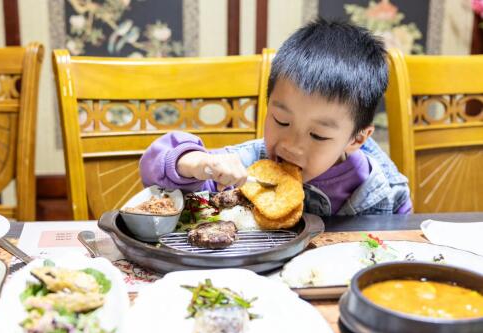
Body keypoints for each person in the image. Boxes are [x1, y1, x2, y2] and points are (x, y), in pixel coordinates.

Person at [139, 19, 412, 216]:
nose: (292, 145)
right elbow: (154, 168)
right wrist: (198, 163)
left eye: (318, 135)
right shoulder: (249, 163)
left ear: (357, 139)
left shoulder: (382, 189)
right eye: (282, 121)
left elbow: (400, 242)